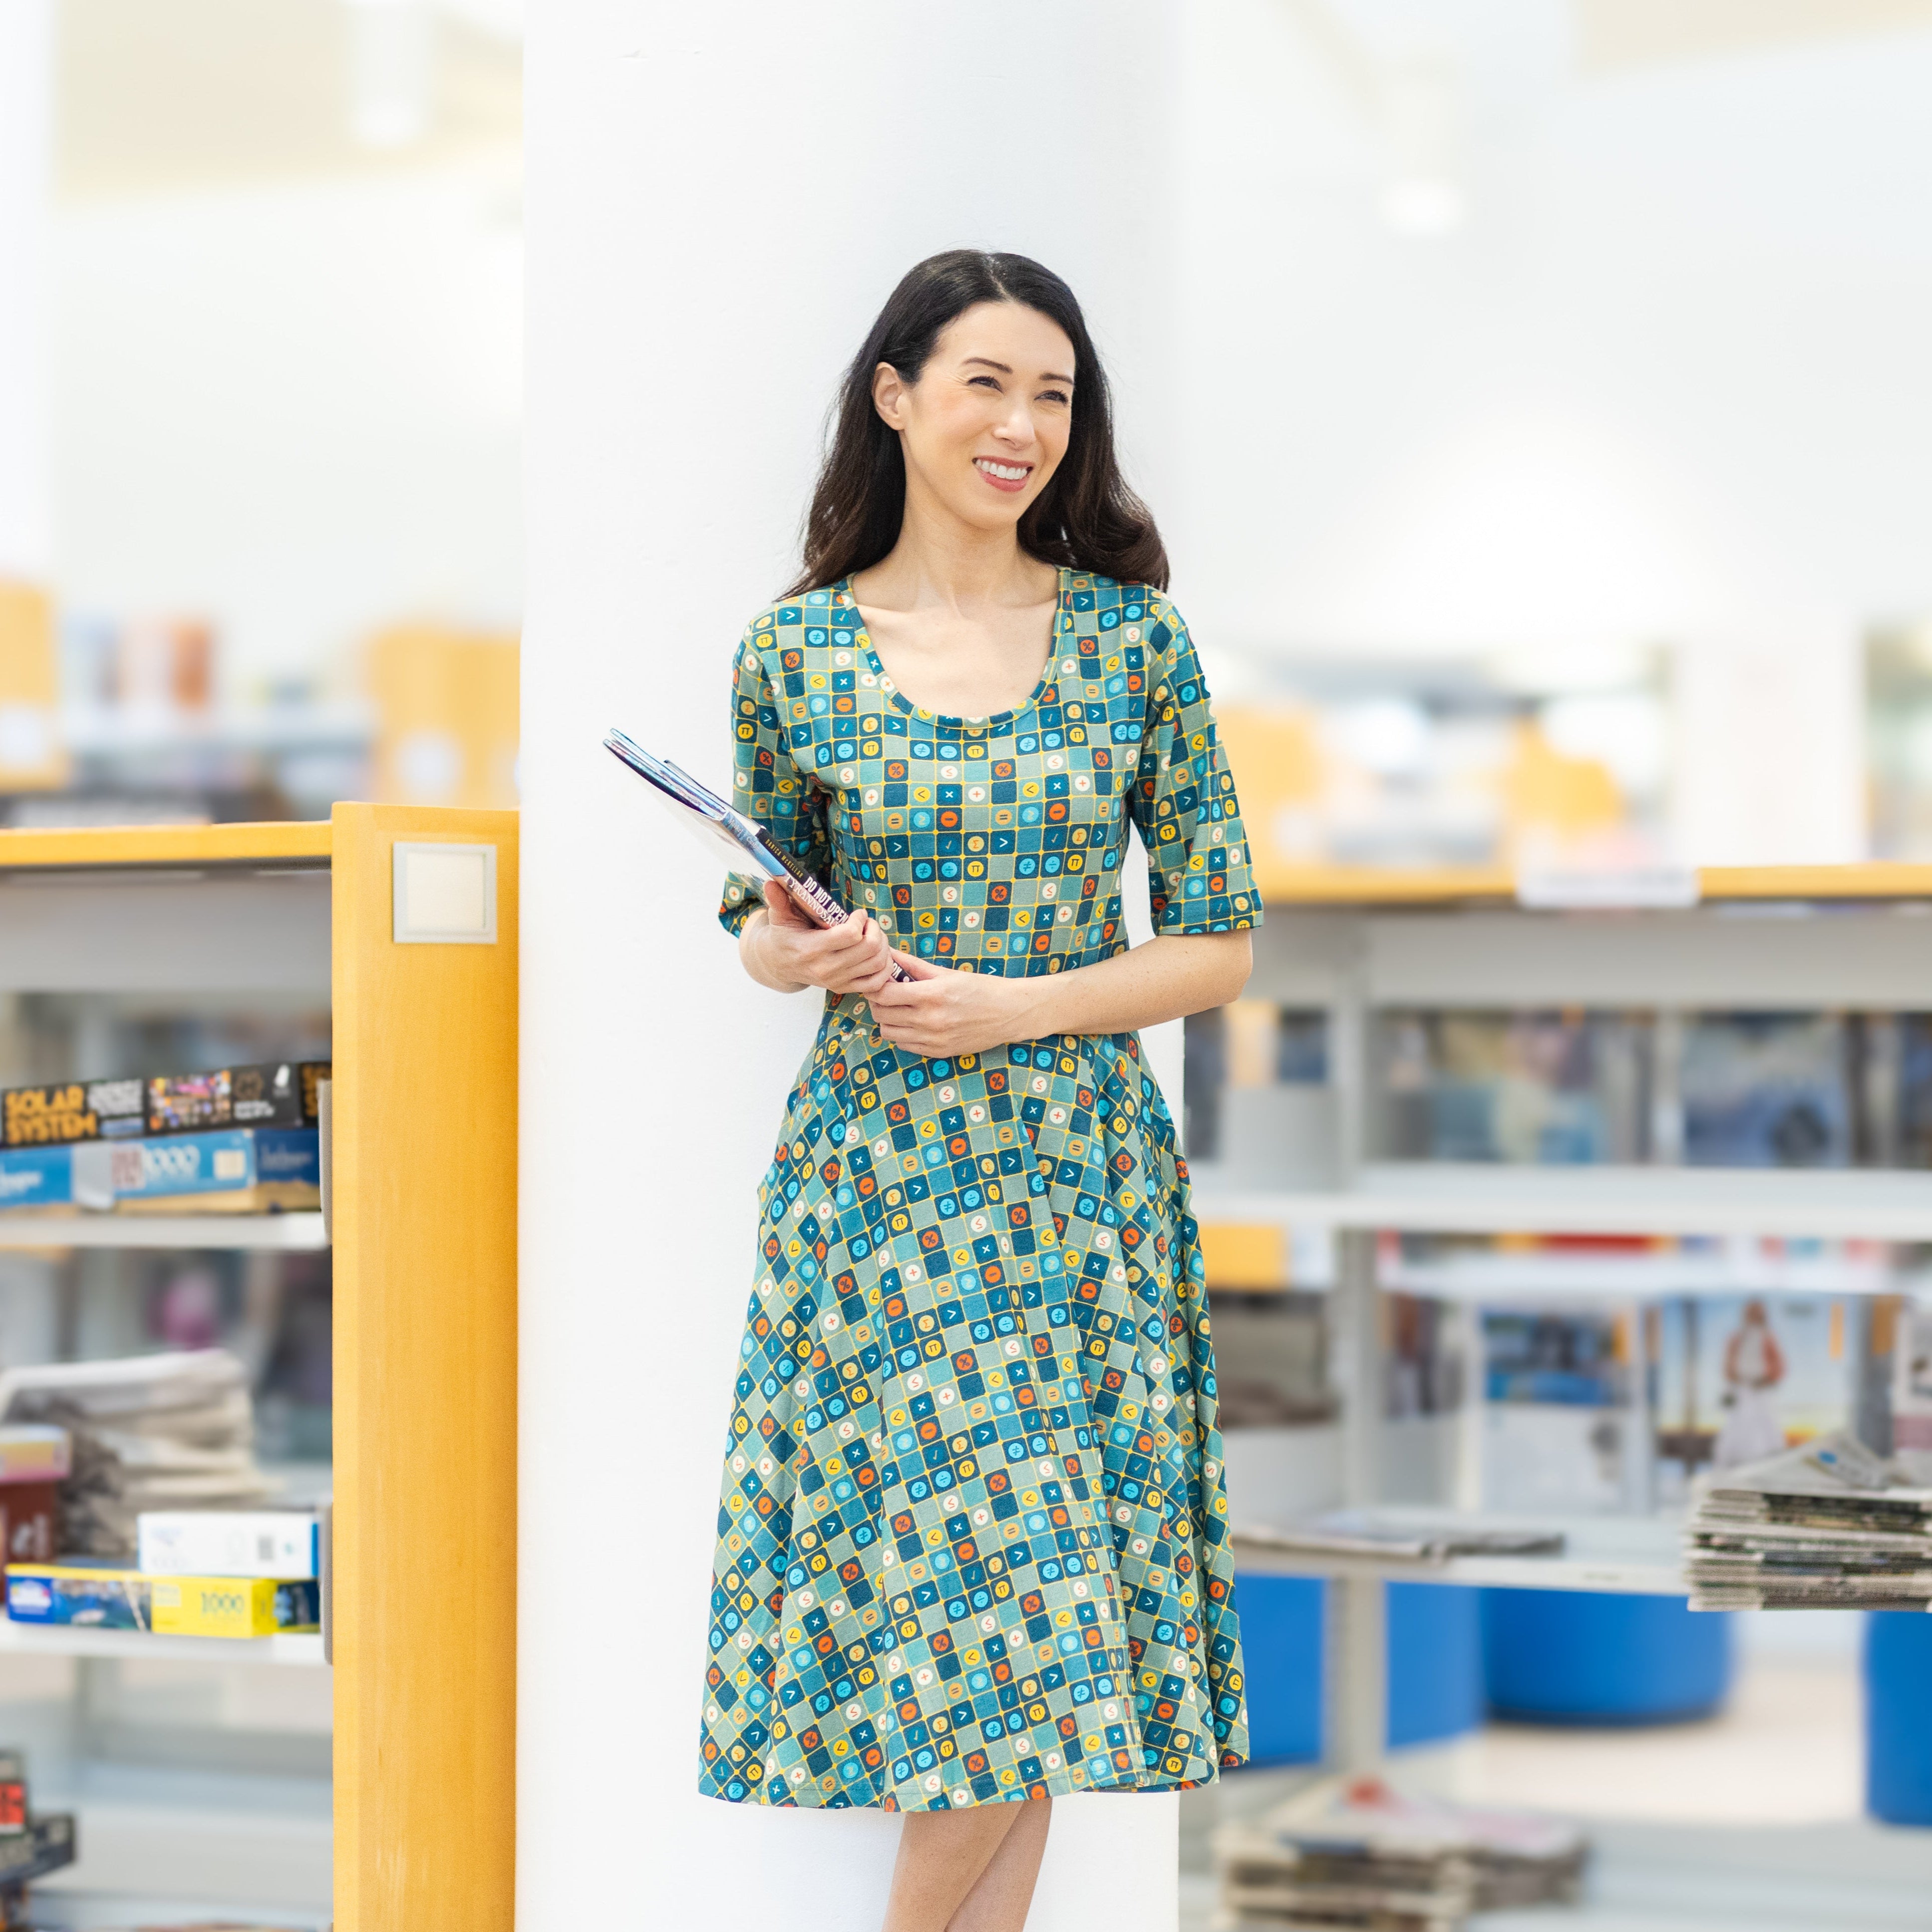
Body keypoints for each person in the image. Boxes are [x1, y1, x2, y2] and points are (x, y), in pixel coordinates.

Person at [698, 249, 1258, 1932]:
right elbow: (753, 916)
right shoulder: (791, 653)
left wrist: (1019, 1003)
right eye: (987, 384)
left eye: (1054, 395)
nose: (1022, 425)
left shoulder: (1132, 643)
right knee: (976, 1648)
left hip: (1074, 1179)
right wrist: (790, 953)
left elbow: (1220, 942)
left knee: (1027, 1648)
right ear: (896, 395)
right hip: (881, 1189)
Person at [1714, 1298, 1787, 1469]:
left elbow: (1778, 1365)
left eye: (1758, 1314)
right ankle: (1733, 1462)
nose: (1754, 1317)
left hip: (1762, 1390)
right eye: (1751, 1314)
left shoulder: (1768, 1338)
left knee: (1766, 1424)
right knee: (1737, 1424)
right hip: (1742, 1389)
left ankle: (1769, 1461)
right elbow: (1729, 1364)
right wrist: (1734, 1380)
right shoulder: (1737, 1338)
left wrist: (1767, 1380)